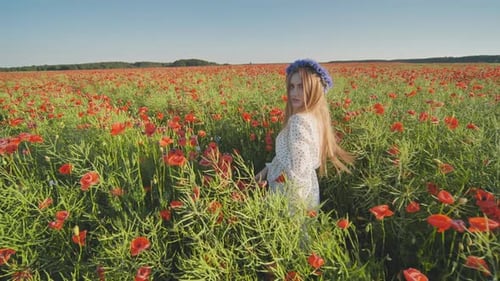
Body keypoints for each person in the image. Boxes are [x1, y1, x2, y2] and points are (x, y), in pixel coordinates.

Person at [255, 59, 354, 211]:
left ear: (314, 90)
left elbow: (298, 173)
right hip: (307, 191)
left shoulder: (298, 121)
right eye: (292, 86)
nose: (294, 93)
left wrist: (289, 210)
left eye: (301, 87)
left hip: (291, 196)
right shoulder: (315, 117)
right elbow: (291, 159)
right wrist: (266, 171)